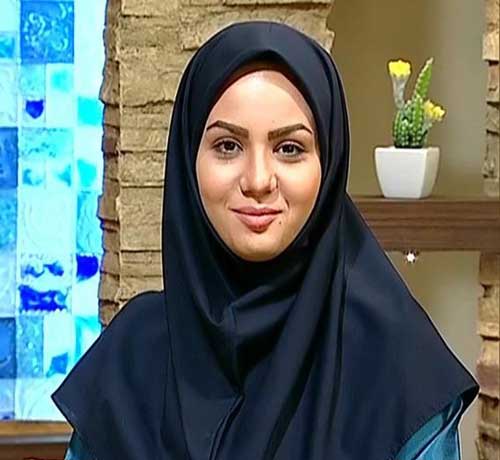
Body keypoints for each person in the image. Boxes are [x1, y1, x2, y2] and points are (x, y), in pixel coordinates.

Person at [52, 20, 479, 460]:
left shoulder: (396, 364)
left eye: (289, 149)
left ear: (328, 163)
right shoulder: (131, 357)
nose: (258, 180)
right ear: (188, 158)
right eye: (227, 146)